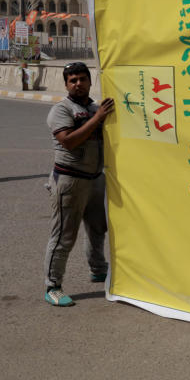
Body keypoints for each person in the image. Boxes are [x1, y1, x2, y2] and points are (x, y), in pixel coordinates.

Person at [43, 62, 115, 307]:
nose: (78, 84)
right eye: (72, 80)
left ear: (90, 81)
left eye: (82, 79)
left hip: (95, 179)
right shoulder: (61, 110)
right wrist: (97, 119)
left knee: (97, 229)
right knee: (64, 235)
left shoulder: (96, 108)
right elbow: (69, 141)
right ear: (66, 84)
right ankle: (53, 286)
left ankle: (98, 269)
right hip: (70, 180)